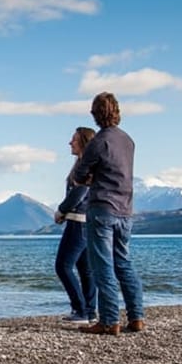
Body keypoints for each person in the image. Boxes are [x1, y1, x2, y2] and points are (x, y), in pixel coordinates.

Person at [71, 92, 145, 335]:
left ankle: (110, 321)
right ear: (117, 111)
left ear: (95, 114)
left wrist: (91, 177)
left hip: (102, 208)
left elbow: (79, 175)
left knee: (103, 266)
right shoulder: (129, 141)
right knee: (124, 263)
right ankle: (136, 317)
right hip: (126, 210)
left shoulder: (98, 142)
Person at [54, 127, 98, 324]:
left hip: (78, 223)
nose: (70, 143)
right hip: (87, 223)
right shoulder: (88, 165)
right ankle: (90, 311)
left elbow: (79, 193)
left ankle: (80, 310)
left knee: (63, 266)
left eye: (73, 140)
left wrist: (61, 210)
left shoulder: (84, 166)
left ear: (83, 143)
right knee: (85, 270)